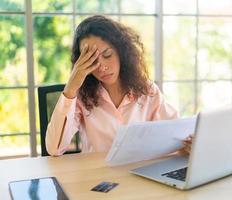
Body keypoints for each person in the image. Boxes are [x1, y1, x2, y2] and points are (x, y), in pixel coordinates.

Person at [46, 15, 192, 157]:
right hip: (96, 177)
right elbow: (54, 148)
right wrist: (71, 88)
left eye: (107, 54)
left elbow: (176, 134)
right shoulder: (81, 97)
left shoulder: (146, 90)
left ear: (121, 52)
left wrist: (186, 145)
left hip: (138, 174)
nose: (101, 67)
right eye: (92, 60)